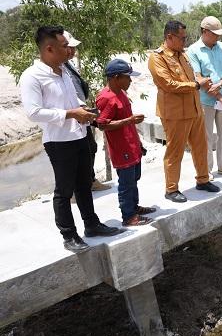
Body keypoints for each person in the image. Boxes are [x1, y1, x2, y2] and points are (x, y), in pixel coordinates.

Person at [19, 26, 120, 252]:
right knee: (64, 190)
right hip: (58, 141)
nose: (69, 50)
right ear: (49, 48)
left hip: (79, 135)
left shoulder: (63, 70)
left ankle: (92, 225)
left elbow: (73, 99)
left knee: (84, 184)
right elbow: (33, 112)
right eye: (65, 46)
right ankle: (69, 234)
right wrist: (71, 114)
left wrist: (86, 112)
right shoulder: (32, 76)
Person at [148, 20, 220, 203]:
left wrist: (202, 81)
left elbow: (193, 76)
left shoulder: (183, 55)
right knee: (175, 151)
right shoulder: (158, 58)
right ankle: (171, 189)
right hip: (175, 114)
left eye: (185, 38)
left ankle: (203, 180)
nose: (184, 42)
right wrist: (197, 84)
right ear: (169, 37)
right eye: (182, 38)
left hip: (194, 109)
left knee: (201, 147)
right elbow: (169, 84)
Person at [96, 59, 155, 226]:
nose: (130, 81)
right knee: (126, 183)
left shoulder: (121, 93)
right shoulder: (106, 98)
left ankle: (134, 207)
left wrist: (138, 142)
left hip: (132, 145)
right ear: (116, 77)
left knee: (134, 179)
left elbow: (126, 121)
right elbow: (102, 124)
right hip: (121, 149)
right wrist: (129, 120)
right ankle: (128, 216)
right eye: (127, 77)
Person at [186, 16, 222, 177]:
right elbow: (199, 78)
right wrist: (219, 96)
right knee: (205, 137)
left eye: (219, 34)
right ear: (204, 31)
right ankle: (206, 171)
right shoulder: (193, 51)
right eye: (214, 33)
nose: (218, 37)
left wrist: (221, 85)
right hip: (205, 101)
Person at [62, 30, 111, 192]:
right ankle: (74, 188)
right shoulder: (59, 68)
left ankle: (89, 180)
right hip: (71, 117)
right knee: (75, 154)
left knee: (90, 147)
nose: (73, 51)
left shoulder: (68, 64)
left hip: (81, 113)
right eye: (70, 47)